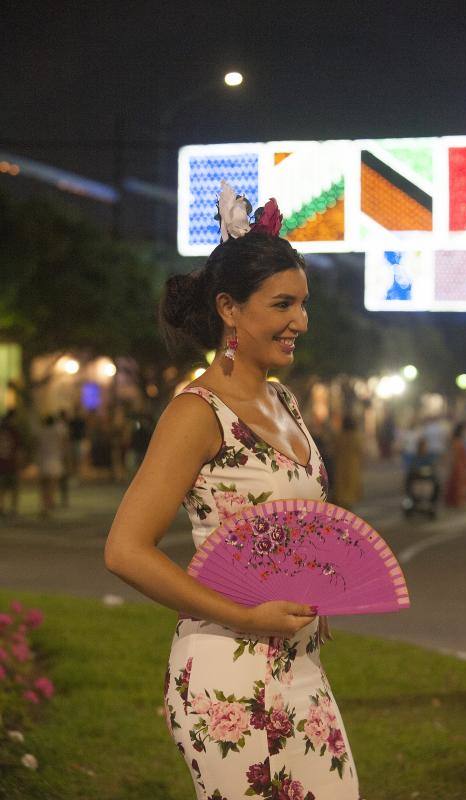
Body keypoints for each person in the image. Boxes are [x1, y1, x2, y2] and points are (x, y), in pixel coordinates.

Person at [104, 185, 360, 799]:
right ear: (229, 308)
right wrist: (246, 615)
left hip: (302, 666)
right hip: (228, 677)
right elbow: (125, 551)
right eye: (283, 304)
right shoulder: (197, 413)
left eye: (303, 303)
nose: (301, 321)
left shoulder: (285, 400)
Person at [332, 415, 364, 508]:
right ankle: (348, 505)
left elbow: (334, 450)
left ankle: (343, 504)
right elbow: (360, 452)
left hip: (340, 466)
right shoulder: (357, 437)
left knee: (341, 487)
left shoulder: (339, 437)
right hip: (353, 466)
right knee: (350, 486)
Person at [35, 415, 64, 517]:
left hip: (43, 461)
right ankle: (49, 505)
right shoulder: (57, 432)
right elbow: (62, 445)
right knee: (52, 486)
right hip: (54, 461)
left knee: (43, 486)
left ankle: (43, 506)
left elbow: (37, 446)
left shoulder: (41, 432)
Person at [444, 422, 466, 508]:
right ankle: (458, 501)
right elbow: (455, 454)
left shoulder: (460, 440)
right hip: (459, 464)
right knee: (458, 482)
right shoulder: (456, 441)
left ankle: (461, 500)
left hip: (462, 463)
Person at [0, 409, 23, 518]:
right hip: (11, 464)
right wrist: (20, 464)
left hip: (2, 464)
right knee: (14, 488)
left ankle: (2, 507)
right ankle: (13, 508)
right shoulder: (14, 432)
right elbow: (18, 450)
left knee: (2, 488)